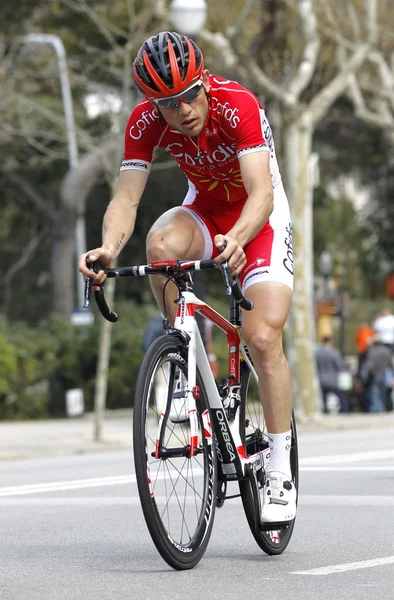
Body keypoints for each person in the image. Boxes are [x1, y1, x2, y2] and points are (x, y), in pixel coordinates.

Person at [79, 32, 295, 524]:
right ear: (153, 103)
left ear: (203, 81)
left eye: (188, 95)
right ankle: (186, 358)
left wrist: (239, 238)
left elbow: (261, 193)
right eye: (167, 103)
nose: (182, 110)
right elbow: (127, 198)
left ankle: (280, 467)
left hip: (256, 218)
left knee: (262, 336)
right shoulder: (145, 122)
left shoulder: (236, 104)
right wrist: (108, 249)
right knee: (159, 246)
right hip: (205, 212)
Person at [315, 337, 348, 413]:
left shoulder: (318, 353)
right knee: (340, 395)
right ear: (330, 342)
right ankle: (344, 409)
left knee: (324, 397)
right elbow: (339, 365)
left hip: (322, 378)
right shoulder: (334, 352)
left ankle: (325, 411)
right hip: (333, 378)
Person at [361, 334, 393, 413]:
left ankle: (376, 409)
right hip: (384, 374)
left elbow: (369, 365)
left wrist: (365, 375)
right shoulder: (386, 351)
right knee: (383, 392)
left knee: (375, 392)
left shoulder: (372, 351)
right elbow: (391, 364)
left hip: (375, 374)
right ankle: (382, 407)